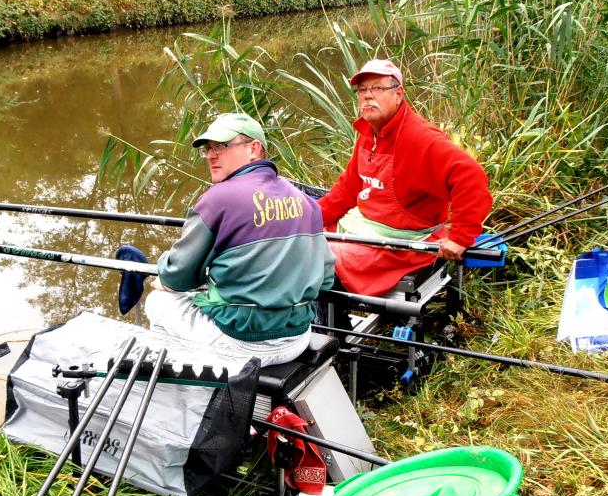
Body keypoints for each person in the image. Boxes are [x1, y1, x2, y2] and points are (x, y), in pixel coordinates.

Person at [145, 112, 334, 366]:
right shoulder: (303, 200)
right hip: (298, 337)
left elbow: (179, 275)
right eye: (208, 148)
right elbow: (326, 278)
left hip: (242, 342)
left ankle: (178, 388)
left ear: (254, 149)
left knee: (158, 301)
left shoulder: (218, 198)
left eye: (222, 146)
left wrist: (163, 275)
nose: (211, 155)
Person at [318, 59, 493, 297]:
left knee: (317, 261)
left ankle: (330, 328)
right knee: (298, 243)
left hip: (402, 245)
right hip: (366, 228)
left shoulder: (419, 138)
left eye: (377, 88)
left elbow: (470, 176)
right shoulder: (368, 132)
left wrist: (460, 237)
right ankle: (325, 323)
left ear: (398, 94)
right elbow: (348, 190)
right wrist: (311, 218)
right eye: (362, 90)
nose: (368, 96)